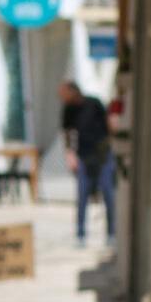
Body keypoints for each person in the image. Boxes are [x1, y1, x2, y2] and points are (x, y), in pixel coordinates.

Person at [60, 77, 115, 246]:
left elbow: (109, 124)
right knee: (82, 196)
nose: (63, 98)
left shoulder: (94, 103)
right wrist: (70, 155)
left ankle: (112, 234)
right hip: (84, 156)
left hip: (103, 155)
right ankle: (81, 235)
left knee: (109, 194)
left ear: (74, 91)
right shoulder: (68, 110)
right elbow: (67, 133)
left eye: (64, 94)